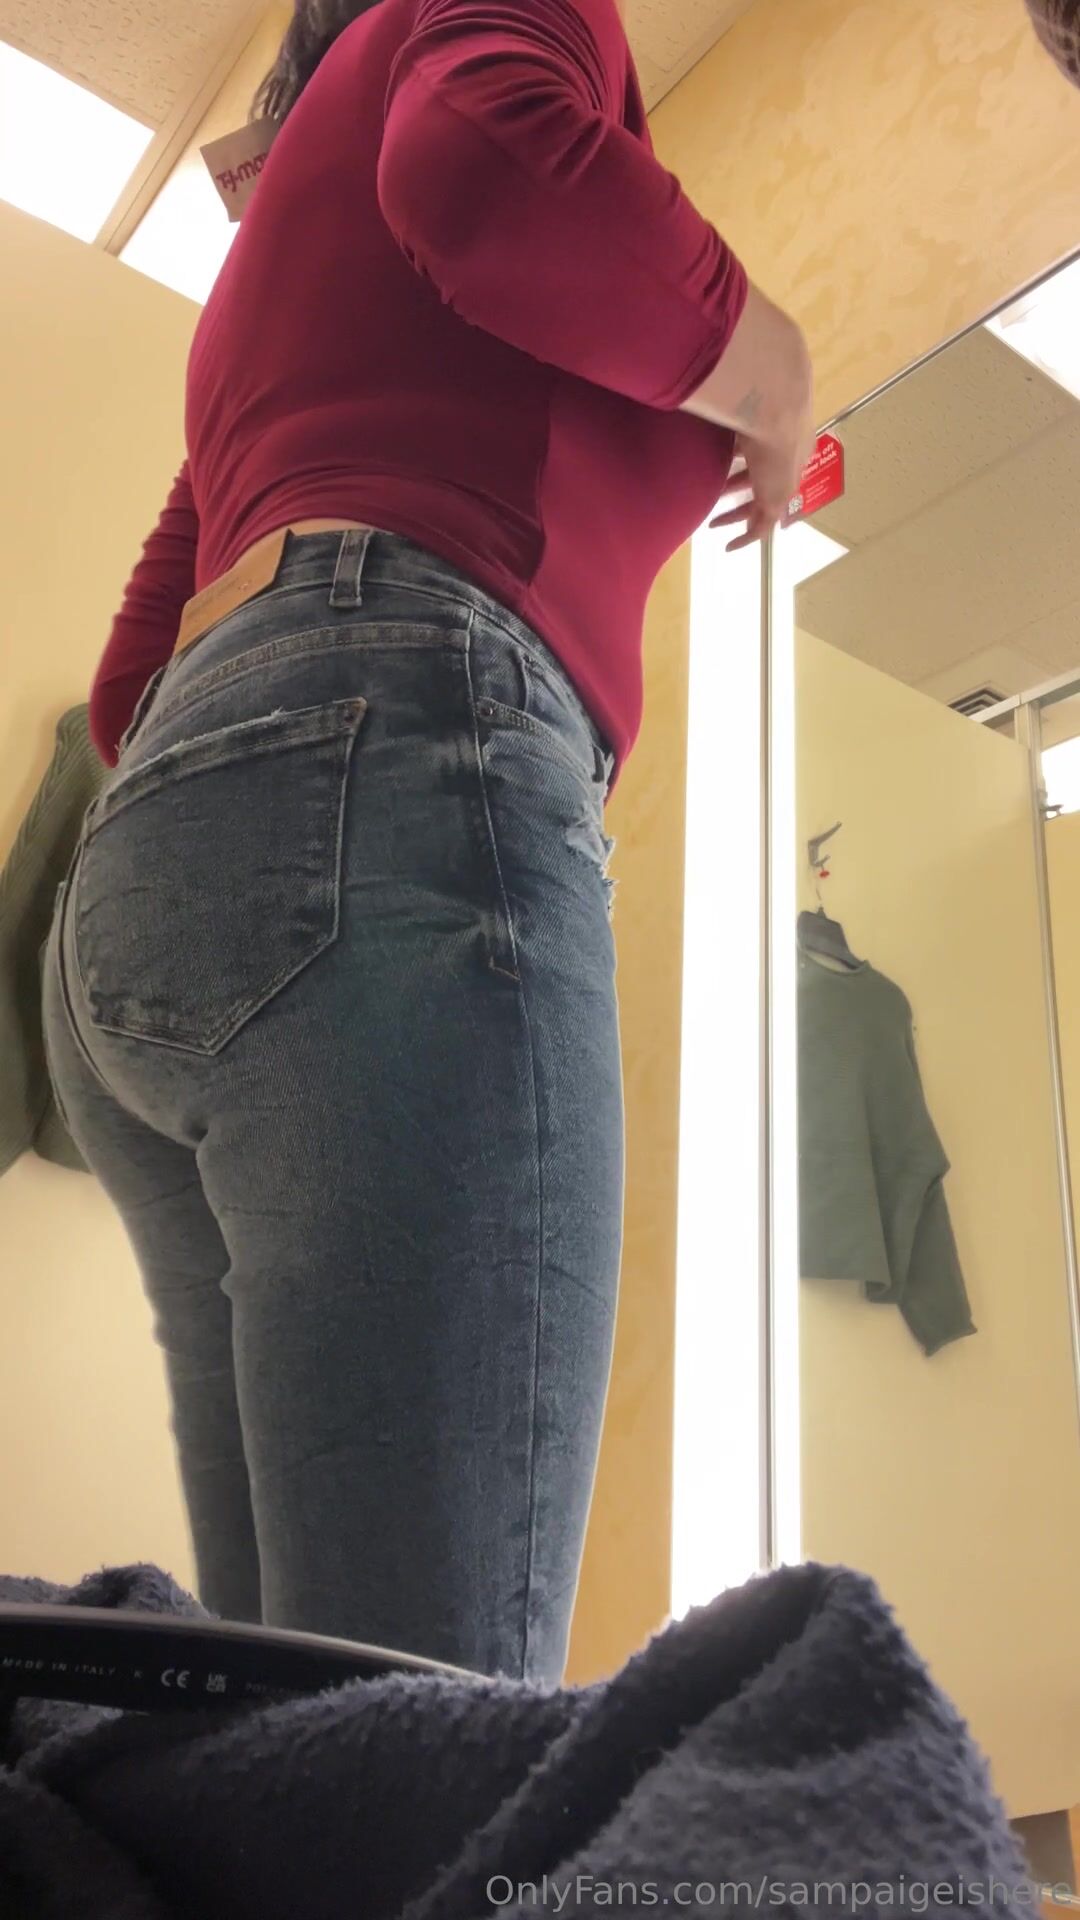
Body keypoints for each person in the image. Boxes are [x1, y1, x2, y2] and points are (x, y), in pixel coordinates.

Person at [42, 0, 813, 1683]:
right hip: (389, 779)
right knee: (416, 1729)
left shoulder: (276, 265)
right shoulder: (500, 29)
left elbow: (130, 681)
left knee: (306, 1709)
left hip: (148, 882)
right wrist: (773, 361)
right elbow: (483, 166)